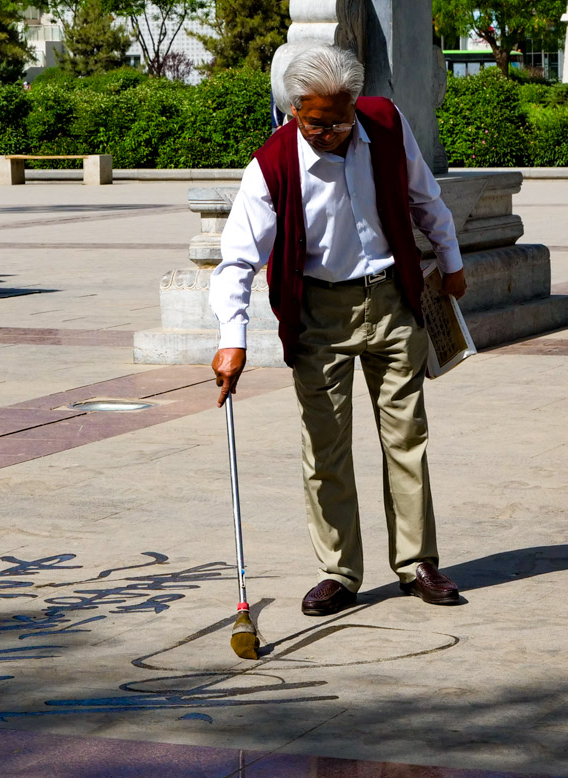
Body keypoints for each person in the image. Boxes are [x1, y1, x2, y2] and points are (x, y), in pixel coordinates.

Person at [209, 45, 467, 617]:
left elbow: (425, 196)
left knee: (406, 435)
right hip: (318, 311)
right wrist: (233, 338)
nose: (330, 132)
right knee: (325, 445)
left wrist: (451, 263)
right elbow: (237, 260)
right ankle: (340, 570)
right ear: (294, 109)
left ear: (355, 103)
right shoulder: (273, 164)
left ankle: (416, 562)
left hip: (393, 300)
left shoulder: (385, 123)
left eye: (340, 119)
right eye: (316, 122)